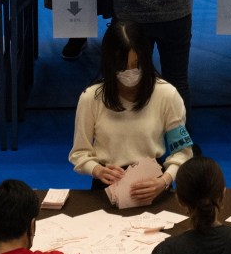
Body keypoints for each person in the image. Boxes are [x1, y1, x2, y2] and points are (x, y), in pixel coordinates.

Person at [68, 22, 195, 219]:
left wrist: (164, 181)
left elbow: (183, 152)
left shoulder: (167, 95)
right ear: (109, 64)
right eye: (122, 66)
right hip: (107, 189)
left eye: (136, 65)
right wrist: (98, 170)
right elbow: (79, 153)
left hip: (154, 186)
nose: (130, 73)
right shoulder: (90, 98)